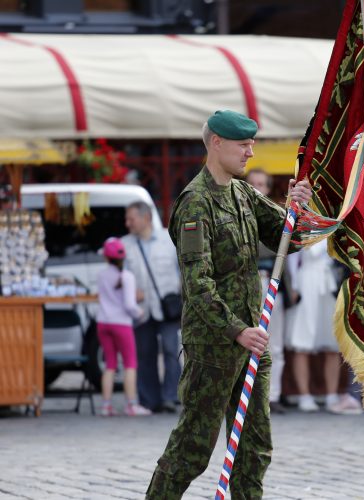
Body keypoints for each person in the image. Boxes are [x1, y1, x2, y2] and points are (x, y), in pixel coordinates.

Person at [146, 109, 312, 499]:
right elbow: (198, 285)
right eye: (244, 144)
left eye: (252, 143)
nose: (251, 153)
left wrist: (298, 206)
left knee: (254, 449)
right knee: (192, 448)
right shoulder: (195, 203)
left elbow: (290, 235)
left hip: (252, 340)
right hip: (215, 346)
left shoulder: (243, 193)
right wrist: (236, 330)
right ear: (216, 143)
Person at [121, 201, 182, 413]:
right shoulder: (124, 245)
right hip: (141, 309)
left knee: (171, 350)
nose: (128, 223)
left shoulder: (169, 240)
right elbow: (119, 277)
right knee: (144, 353)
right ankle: (149, 399)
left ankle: (171, 396)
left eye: (132, 219)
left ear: (146, 218)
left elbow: (182, 270)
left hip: (167, 307)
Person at [246, 168, 294, 414]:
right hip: (247, 283)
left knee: (274, 343)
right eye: (252, 183)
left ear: (267, 188)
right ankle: (247, 395)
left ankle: (272, 394)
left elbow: (283, 251)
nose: (257, 188)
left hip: (271, 282)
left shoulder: (276, 216)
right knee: (247, 341)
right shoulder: (239, 214)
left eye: (261, 184)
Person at [96, 237, 151, 417]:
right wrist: (139, 313)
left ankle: (105, 405)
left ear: (106, 257)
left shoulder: (101, 275)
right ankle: (131, 405)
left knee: (110, 364)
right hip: (122, 324)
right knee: (130, 364)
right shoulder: (127, 276)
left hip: (103, 322)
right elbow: (129, 305)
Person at [286, 240, 343, 413]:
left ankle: (332, 395)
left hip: (329, 282)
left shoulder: (334, 221)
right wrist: (294, 285)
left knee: (332, 342)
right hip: (306, 281)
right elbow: (292, 257)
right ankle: (304, 395)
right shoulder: (302, 222)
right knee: (302, 341)